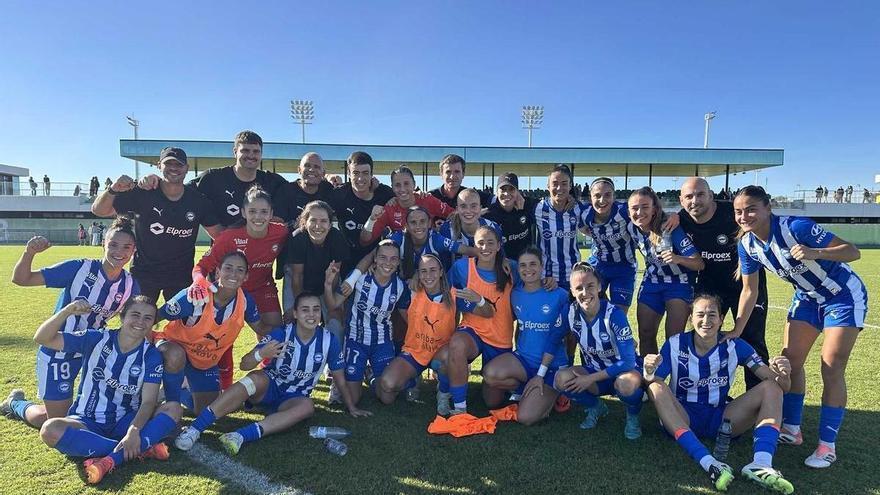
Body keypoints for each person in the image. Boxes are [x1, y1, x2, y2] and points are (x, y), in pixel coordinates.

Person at [732, 185, 867, 469]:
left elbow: (852, 252)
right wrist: (737, 329)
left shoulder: (797, 227)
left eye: (751, 209)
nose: (744, 216)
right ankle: (792, 429)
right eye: (739, 211)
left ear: (768, 208)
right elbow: (749, 290)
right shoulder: (746, 245)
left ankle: (827, 445)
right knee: (789, 364)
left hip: (841, 295)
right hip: (806, 299)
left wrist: (814, 251)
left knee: (831, 366)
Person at [174, 293, 371, 456]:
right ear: (295, 313)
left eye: (316, 309)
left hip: (293, 398)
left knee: (307, 407)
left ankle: (240, 436)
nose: (311, 315)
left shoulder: (329, 340)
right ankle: (194, 430)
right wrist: (261, 353)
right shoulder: (281, 333)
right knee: (255, 378)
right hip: (269, 388)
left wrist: (352, 406)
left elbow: (338, 377)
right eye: (305, 309)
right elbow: (245, 364)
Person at [643, 294, 795, 494]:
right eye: (700, 315)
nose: (706, 321)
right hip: (682, 416)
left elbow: (778, 385)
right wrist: (648, 371)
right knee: (656, 387)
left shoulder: (735, 345)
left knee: (771, 388)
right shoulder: (675, 344)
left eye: (712, 315)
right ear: (691, 318)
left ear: (722, 319)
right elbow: (652, 382)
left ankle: (761, 464)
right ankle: (709, 463)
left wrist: (784, 375)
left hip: (721, 417)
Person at [4, 216, 139, 429]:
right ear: (103, 243)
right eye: (113, 244)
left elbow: (135, 321)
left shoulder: (130, 284)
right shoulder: (79, 269)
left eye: (126, 247)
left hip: (94, 352)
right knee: (56, 422)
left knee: (90, 417)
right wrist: (29, 252)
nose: (119, 251)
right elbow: (22, 279)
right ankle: (16, 403)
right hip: (59, 346)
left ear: (133, 251)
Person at [32, 296, 180, 485]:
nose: (140, 322)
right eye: (135, 315)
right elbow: (42, 338)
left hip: (125, 420)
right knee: (49, 430)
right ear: (122, 316)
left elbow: (149, 401)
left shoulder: (151, 355)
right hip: (86, 420)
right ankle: (141, 449)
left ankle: (112, 458)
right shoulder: (96, 339)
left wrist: (133, 431)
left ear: (152, 323)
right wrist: (67, 311)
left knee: (174, 409)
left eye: (148, 318)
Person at [189, 184, 288, 389]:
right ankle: (225, 384)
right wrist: (199, 281)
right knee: (223, 339)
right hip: (231, 292)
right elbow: (201, 266)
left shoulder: (281, 232)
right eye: (252, 211)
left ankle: (267, 370)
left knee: (276, 330)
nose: (258, 217)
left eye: (263, 211)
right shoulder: (229, 238)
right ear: (243, 212)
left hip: (263, 288)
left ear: (271, 213)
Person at [92, 147, 221, 302]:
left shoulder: (198, 201)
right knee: (137, 321)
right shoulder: (143, 193)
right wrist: (112, 190)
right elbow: (99, 210)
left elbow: (219, 235)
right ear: (159, 166)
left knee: (186, 323)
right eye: (168, 163)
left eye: (179, 164)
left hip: (180, 276)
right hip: (144, 273)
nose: (174, 168)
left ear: (186, 168)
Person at [678, 177, 769, 389]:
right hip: (709, 285)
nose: (695, 201)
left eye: (700, 194)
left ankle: (758, 399)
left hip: (745, 285)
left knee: (752, 340)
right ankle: (700, 390)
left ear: (711, 196)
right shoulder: (680, 219)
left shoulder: (734, 214)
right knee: (702, 336)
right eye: (689, 196)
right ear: (681, 200)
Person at [157, 251, 266, 414]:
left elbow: (262, 329)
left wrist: (289, 330)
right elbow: (154, 317)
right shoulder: (195, 295)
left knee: (208, 411)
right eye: (228, 268)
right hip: (172, 350)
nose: (233, 274)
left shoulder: (245, 302)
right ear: (217, 272)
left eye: (240, 270)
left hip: (203, 361)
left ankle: (175, 389)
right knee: (175, 355)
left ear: (246, 277)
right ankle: (167, 398)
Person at [549, 262, 644, 438]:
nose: (585, 293)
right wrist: (540, 373)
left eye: (590, 286)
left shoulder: (614, 314)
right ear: (572, 291)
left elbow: (628, 361)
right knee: (561, 379)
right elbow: (553, 339)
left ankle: (633, 416)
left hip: (624, 371)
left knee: (626, 385)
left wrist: (589, 378)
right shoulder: (570, 312)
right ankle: (596, 407)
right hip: (593, 370)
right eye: (579, 288)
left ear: (600, 286)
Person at [480, 248, 570, 425]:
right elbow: (518, 326)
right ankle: (525, 386)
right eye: (523, 265)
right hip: (524, 360)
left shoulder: (559, 294)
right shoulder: (515, 294)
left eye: (533, 264)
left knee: (525, 417)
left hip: (552, 366)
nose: (528, 269)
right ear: (518, 269)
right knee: (490, 377)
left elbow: (568, 334)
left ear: (542, 267)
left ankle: (555, 392)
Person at [438, 226, 516, 415]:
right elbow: (444, 291)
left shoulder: (512, 268)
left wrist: (549, 282)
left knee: (492, 401)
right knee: (456, 345)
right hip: (472, 330)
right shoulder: (462, 267)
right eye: (480, 243)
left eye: (491, 243)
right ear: (474, 245)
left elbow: (533, 285)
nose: (485, 247)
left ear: (499, 246)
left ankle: (519, 388)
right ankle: (458, 407)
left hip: (500, 337)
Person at [324, 240, 410, 406]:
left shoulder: (400, 287)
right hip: (356, 342)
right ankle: (356, 373)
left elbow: (407, 317)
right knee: (353, 399)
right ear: (375, 259)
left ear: (398, 262)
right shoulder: (359, 278)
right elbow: (333, 304)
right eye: (383, 257)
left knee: (387, 398)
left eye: (393, 259)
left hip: (382, 343)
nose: (388, 263)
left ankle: (370, 376)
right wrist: (328, 284)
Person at [628, 187, 704, 356]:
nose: (639, 212)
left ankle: (675, 380)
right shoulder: (631, 228)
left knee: (674, 339)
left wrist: (678, 259)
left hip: (679, 283)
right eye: (634, 208)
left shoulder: (670, 227)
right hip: (652, 282)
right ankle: (650, 380)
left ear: (654, 209)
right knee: (646, 335)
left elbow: (699, 263)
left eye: (645, 207)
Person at [376, 254, 457, 405]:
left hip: (441, 352)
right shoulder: (411, 290)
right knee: (387, 391)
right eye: (423, 271)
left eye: (433, 270)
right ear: (418, 274)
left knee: (451, 353)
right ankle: (411, 380)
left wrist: (479, 302)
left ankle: (444, 392)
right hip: (415, 351)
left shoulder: (454, 294)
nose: (428, 276)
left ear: (441, 272)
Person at [276, 152, 335, 309]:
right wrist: (297, 226)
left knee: (333, 317)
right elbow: (276, 227)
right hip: (293, 262)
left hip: (324, 263)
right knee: (292, 314)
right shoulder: (286, 191)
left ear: (323, 173)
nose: (312, 170)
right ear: (298, 169)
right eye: (307, 165)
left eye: (316, 167)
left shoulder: (328, 190)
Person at [329, 151, 395, 277]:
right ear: (349, 173)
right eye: (355, 173)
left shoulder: (384, 193)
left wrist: (396, 200)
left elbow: (408, 199)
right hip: (344, 260)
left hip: (375, 262)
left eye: (365, 173)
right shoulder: (339, 194)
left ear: (372, 174)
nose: (360, 178)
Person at [360, 166, 454, 245]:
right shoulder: (389, 208)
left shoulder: (426, 199)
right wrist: (371, 220)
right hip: (404, 259)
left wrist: (441, 230)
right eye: (397, 185)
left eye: (406, 184)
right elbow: (365, 241)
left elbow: (455, 214)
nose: (402, 189)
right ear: (392, 187)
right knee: (380, 250)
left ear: (414, 185)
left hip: (430, 258)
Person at [286, 200, 350, 314]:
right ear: (305, 222)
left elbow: (334, 277)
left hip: (327, 281)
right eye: (313, 220)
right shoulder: (297, 238)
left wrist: (329, 304)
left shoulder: (337, 238)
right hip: (301, 281)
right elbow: (298, 276)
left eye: (324, 221)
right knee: (293, 317)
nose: (318, 226)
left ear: (330, 225)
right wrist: (301, 306)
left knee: (335, 323)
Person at [533, 164, 589, 291]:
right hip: (547, 278)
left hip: (574, 277)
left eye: (564, 183)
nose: (559, 188)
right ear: (548, 186)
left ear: (570, 186)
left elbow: (594, 228)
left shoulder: (578, 208)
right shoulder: (537, 208)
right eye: (555, 183)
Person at [438, 188, 503, 261]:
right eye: (463, 206)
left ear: (480, 208)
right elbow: (444, 266)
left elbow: (500, 259)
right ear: (457, 209)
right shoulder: (447, 229)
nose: (468, 211)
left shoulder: (493, 227)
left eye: (473, 206)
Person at [484, 172, 536, 259]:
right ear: (497, 192)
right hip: (500, 265)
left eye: (511, 189)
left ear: (517, 192)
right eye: (503, 189)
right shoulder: (489, 214)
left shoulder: (528, 206)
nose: (506, 193)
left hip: (524, 265)